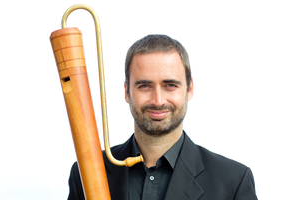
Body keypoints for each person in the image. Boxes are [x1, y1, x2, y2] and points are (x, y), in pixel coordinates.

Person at [67, 35, 258, 200]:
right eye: (144, 86)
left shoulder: (234, 182)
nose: (158, 101)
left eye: (170, 85)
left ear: (189, 89)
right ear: (126, 92)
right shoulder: (84, 173)